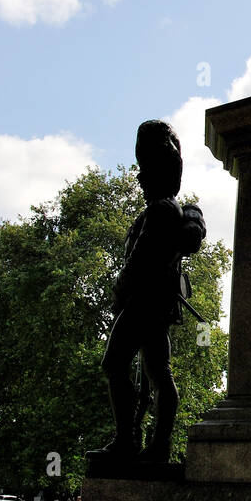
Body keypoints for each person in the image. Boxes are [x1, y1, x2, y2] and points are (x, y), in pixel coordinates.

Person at [90, 121, 206, 465]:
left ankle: (128, 440)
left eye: (144, 169)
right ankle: (156, 445)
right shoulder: (168, 209)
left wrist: (119, 295)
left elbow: (137, 264)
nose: (139, 177)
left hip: (142, 305)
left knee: (114, 365)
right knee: (159, 374)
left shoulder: (160, 210)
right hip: (155, 307)